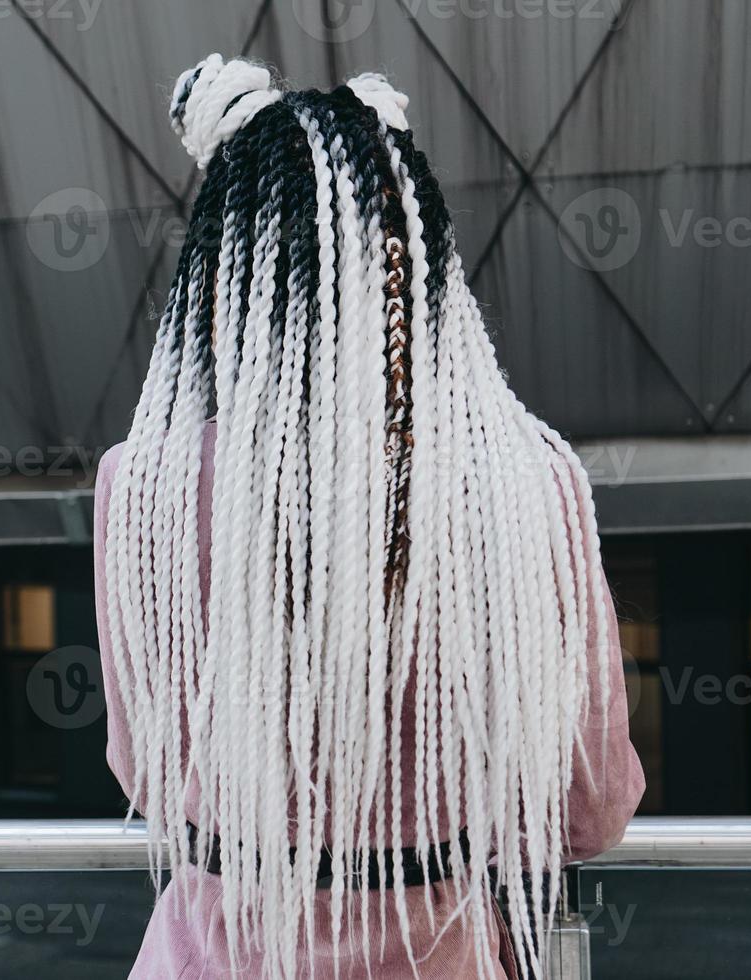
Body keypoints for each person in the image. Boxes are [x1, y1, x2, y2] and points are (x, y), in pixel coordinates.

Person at [92, 55, 644, 979]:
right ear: (421, 262)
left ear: (231, 270)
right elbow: (590, 811)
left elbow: (149, 776)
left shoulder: (143, 487)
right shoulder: (530, 484)